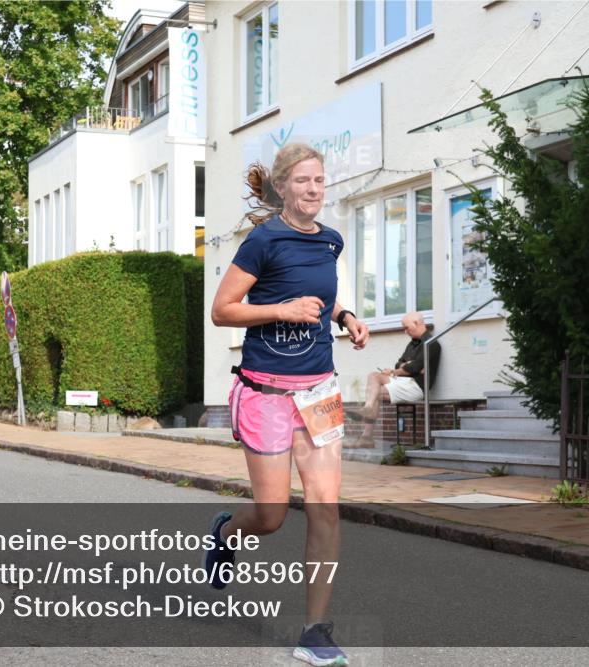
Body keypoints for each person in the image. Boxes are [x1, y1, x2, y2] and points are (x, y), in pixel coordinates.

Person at [206, 142, 369, 667]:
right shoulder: (262, 240)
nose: (315, 190)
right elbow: (223, 311)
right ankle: (227, 531)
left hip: (319, 391)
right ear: (281, 188)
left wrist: (344, 317)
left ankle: (315, 631)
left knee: (325, 506)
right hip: (266, 393)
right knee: (273, 514)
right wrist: (283, 309)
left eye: (320, 180)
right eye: (303, 181)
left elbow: (320, 293)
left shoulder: (330, 242)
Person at [348, 312, 440, 448]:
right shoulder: (412, 344)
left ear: (417, 323)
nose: (405, 331)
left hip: (417, 386)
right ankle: (367, 420)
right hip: (404, 382)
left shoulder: (431, 344)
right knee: (374, 378)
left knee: (375, 391)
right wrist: (405, 367)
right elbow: (400, 364)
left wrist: (400, 369)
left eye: (407, 328)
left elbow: (414, 368)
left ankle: (366, 435)